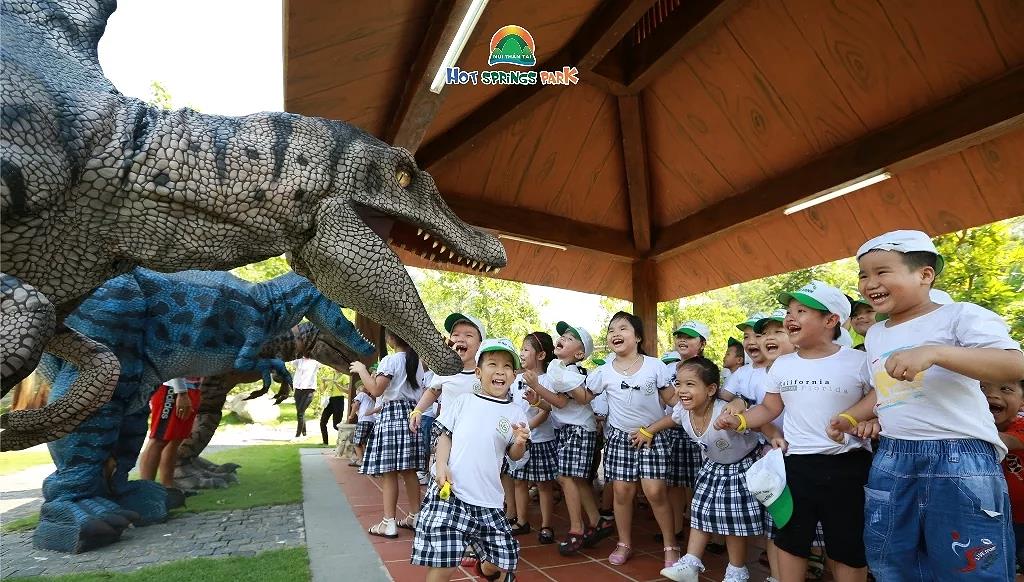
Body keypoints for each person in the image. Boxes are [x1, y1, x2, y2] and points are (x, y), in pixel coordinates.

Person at [828, 230, 1024, 581]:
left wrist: (936, 352)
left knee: (971, 564)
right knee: (891, 558)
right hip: (892, 455)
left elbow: (1013, 363)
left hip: (958, 455)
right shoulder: (875, 333)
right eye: (863, 274)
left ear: (925, 274)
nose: (869, 283)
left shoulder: (958, 315)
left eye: (882, 271)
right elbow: (883, 390)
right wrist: (849, 416)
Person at [716, 280, 872, 582]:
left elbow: (879, 400)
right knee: (791, 537)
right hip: (797, 463)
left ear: (830, 320)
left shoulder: (858, 361)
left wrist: (861, 420)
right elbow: (770, 408)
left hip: (847, 465)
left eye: (802, 311)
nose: (790, 318)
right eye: (790, 311)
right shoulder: (783, 366)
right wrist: (741, 420)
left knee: (846, 542)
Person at [411, 338, 530, 582]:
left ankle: (485, 566)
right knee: (445, 563)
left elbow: (514, 456)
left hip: (489, 500)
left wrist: (519, 443)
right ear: (478, 372)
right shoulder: (463, 401)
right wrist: (441, 465)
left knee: (499, 566)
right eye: (493, 364)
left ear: (514, 374)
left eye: (507, 366)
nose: (500, 371)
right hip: (452, 493)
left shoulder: (515, 412)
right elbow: (445, 435)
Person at [653, 356, 776, 582]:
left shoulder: (725, 412)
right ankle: (690, 564)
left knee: (732, 520)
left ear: (710, 389)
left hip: (740, 466)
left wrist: (775, 437)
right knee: (700, 511)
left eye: (690, 384)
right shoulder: (682, 410)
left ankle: (737, 571)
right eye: (678, 384)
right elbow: (671, 420)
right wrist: (649, 430)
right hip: (713, 465)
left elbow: (759, 422)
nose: (681, 390)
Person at [580, 312, 678, 569]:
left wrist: (655, 428)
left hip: (652, 437)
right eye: (611, 330)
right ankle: (623, 543)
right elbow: (583, 397)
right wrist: (549, 384)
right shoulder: (602, 372)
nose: (615, 334)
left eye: (623, 328)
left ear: (637, 337)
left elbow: (673, 402)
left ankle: (671, 545)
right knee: (622, 492)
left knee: (655, 491)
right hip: (620, 439)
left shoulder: (655, 366)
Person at [523, 321, 612, 555]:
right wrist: (536, 399)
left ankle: (576, 528)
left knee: (565, 478)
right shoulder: (557, 369)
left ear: (580, 353)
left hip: (579, 430)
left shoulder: (570, 373)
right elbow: (555, 405)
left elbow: (563, 401)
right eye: (563, 335)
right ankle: (597, 520)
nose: (563, 338)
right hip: (568, 429)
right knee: (578, 480)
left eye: (571, 338)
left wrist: (537, 387)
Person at [352, 331, 427, 538]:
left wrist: (361, 371)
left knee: (389, 472)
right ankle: (415, 516)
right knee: (409, 471)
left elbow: (376, 390)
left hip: (392, 415)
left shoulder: (391, 360)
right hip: (411, 415)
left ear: (391, 339)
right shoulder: (416, 363)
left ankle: (389, 522)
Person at [508, 332, 559, 544]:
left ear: (541, 355)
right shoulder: (516, 379)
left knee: (544, 484)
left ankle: (547, 525)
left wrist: (527, 428)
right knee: (519, 481)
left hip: (541, 439)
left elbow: (547, 411)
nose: (521, 353)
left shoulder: (548, 380)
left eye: (526, 349)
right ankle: (522, 521)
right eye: (521, 349)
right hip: (519, 439)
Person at [664, 321, 711, 544]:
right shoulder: (667, 369)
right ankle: (675, 528)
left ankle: (701, 530)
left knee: (698, 483)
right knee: (673, 483)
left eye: (690, 337)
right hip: (674, 431)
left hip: (699, 433)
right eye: (680, 336)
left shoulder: (708, 369)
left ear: (702, 344)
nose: (682, 340)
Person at [982, 378, 1024, 571]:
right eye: (981, 387)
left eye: (1006, 389)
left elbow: (1005, 441)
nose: (992, 394)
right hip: (997, 517)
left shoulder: (1021, 425)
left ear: (1022, 401)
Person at [139, 377, 202, 487]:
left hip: (191, 387)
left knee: (175, 440)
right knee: (159, 439)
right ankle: (146, 490)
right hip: (172, 388)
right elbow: (176, 364)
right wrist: (181, 393)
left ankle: (169, 488)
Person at [348, 383, 378, 466]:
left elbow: (356, 405)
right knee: (364, 442)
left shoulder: (361, 395)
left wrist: (351, 415)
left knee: (357, 442)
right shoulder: (371, 400)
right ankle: (365, 460)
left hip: (363, 421)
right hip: (371, 421)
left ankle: (361, 461)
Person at [291, 357, 320, 438]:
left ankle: (298, 435)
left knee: (300, 412)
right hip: (298, 390)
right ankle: (304, 433)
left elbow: (324, 362)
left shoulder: (315, 362)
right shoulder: (299, 361)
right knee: (300, 412)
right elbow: (292, 360)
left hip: (309, 390)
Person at [320, 371, 347, 445]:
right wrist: (323, 382)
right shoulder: (330, 375)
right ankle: (325, 442)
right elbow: (323, 389)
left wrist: (337, 384)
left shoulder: (344, 377)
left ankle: (345, 440)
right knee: (323, 422)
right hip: (329, 400)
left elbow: (346, 390)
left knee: (336, 425)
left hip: (338, 399)